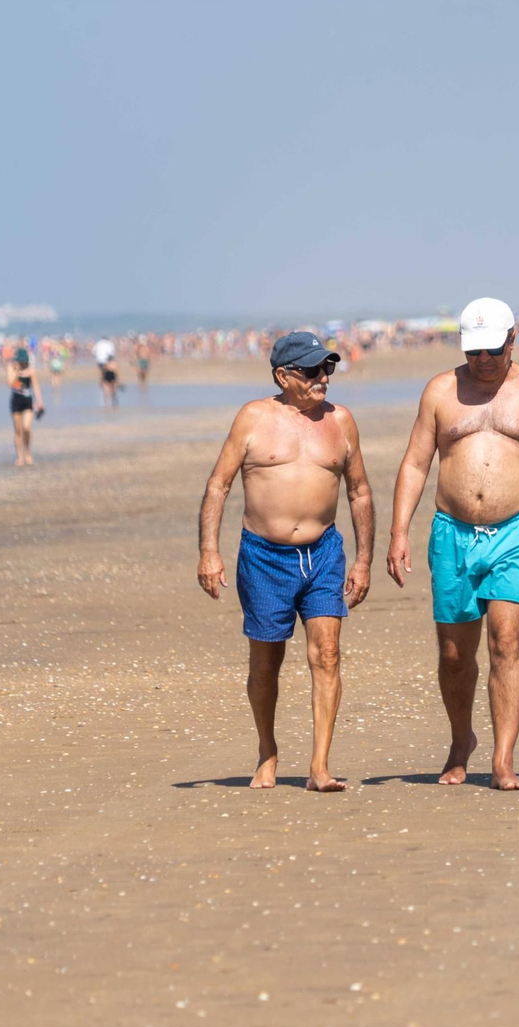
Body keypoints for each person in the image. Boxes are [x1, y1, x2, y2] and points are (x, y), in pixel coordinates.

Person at [387, 297, 519, 791]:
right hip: (451, 533)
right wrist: (398, 533)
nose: (483, 360)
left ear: (513, 339)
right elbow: (415, 464)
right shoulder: (440, 391)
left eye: (493, 350)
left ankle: (502, 759)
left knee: (506, 640)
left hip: (517, 531)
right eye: (474, 350)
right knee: (455, 653)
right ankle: (461, 741)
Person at [195, 331, 374, 792]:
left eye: (327, 369)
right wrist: (209, 552)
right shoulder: (254, 418)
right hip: (264, 556)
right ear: (283, 375)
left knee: (327, 654)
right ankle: (267, 751)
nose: (323, 379)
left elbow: (359, 492)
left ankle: (319, 767)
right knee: (265, 663)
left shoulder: (342, 421)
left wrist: (364, 561)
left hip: (324, 553)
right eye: (313, 371)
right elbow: (219, 484)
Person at [7, 349, 42, 466]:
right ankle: (20, 456)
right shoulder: (11, 368)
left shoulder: (31, 370)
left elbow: (36, 386)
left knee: (26, 428)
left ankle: (27, 452)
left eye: (23, 362)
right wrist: (17, 373)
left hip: (27, 402)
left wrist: (40, 402)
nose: (22, 364)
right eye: (20, 361)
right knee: (17, 430)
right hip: (16, 402)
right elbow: (10, 383)